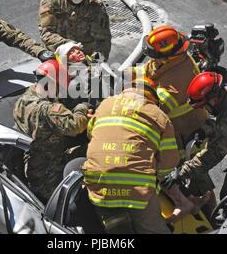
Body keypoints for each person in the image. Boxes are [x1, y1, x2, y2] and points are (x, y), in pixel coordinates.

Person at [83, 77, 197, 234]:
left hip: (98, 183)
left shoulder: (105, 105)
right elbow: (169, 162)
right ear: (152, 97)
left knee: (117, 231)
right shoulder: (159, 116)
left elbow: (91, 134)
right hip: (137, 191)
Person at [129, 25, 215, 207]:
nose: (152, 57)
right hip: (174, 130)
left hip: (186, 135)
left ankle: (210, 216)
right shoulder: (168, 61)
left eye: (155, 54)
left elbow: (155, 108)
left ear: (168, 55)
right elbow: (147, 71)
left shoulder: (178, 77)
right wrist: (120, 77)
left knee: (195, 183)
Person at [13, 59, 90, 203]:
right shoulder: (47, 109)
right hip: (50, 175)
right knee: (94, 151)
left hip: (34, 165)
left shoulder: (24, 99)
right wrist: (83, 107)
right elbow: (75, 126)